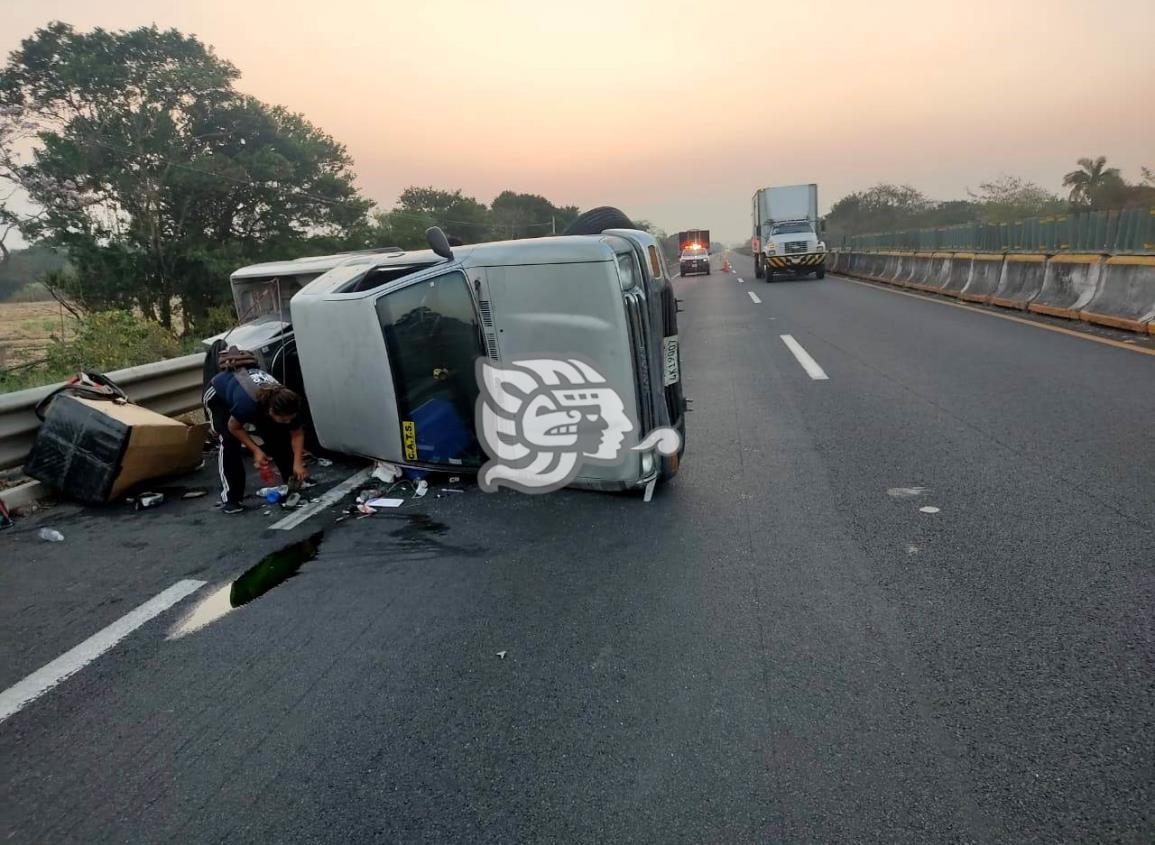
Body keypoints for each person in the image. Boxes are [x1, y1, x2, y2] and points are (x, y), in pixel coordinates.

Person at [202, 367, 310, 514]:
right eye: (284, 418)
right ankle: (231, 498)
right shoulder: (247, 405)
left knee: (278, 433)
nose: (288, 421)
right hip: (218, 395)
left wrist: (298, 464)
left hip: (255, 396)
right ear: (271, 411)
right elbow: (234, 427)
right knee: (229, 441)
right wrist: (255, 450)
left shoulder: (288, 402)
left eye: (290, 418)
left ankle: (292, 481)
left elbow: (297, 434)